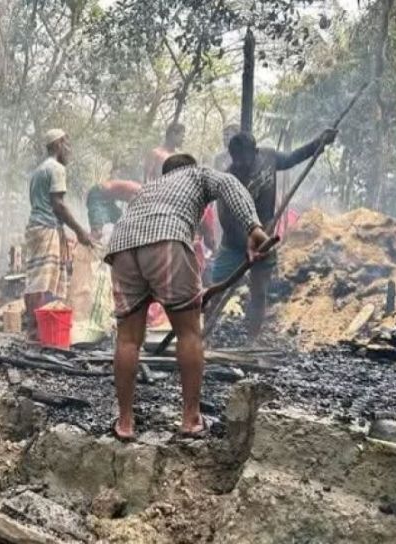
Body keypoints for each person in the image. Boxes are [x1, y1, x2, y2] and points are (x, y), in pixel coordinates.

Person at [105, 154, 269, 440]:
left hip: (121, 246)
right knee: (189, 333)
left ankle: (125, 423)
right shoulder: (197, 174)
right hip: (167, 239)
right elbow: (229, 183)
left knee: (128, 339)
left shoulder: (149, 188)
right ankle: (191, 419)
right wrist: (253, 227)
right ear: (190, 167)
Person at [213, 128, 337, 341]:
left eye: (245, 158)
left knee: (259, 292)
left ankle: (251, 342)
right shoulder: (228, 178)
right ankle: (206, 338)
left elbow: (292, 159)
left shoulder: (269, 158)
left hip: (265, 239)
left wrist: (319, 143)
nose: (241, 164)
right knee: (216, 291)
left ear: (256, 151)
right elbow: (226, 220)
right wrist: (247, 243)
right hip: (234, 243)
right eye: (237, 159)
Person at [23, 129, 92, 340]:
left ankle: (35, 327)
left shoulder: (38, 171)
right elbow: (58, 205)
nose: (69, 150)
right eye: (67, 144)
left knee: (35, 277)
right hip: (46, 228)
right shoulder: (57, 169)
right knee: (41, 280)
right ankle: (35, 331)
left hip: (35, 227)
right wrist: (80, 231)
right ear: (59, 144)